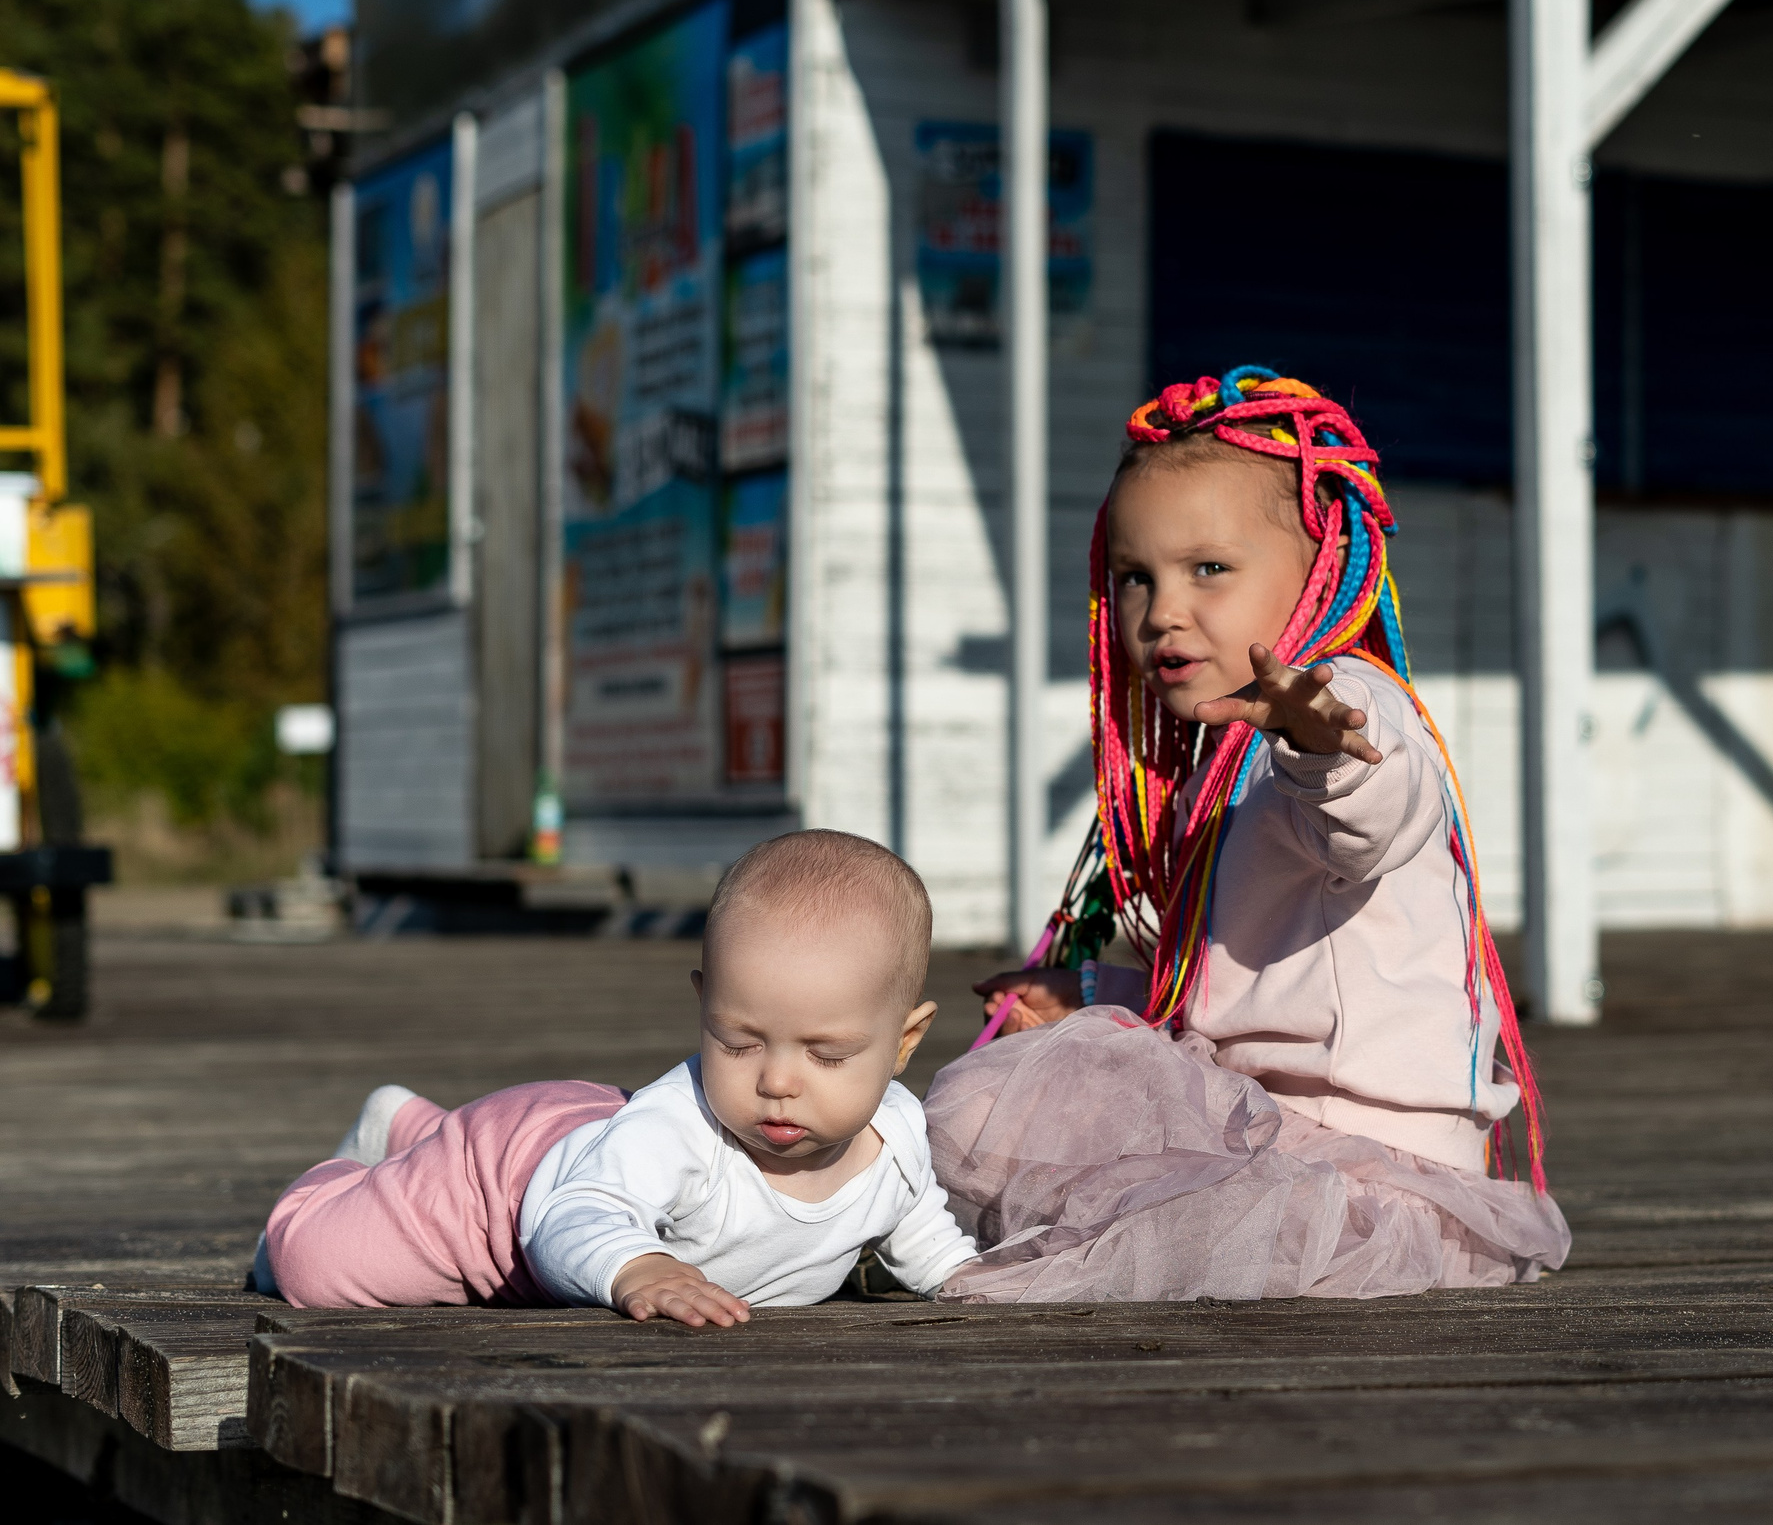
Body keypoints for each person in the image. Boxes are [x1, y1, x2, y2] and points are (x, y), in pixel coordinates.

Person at [926, 368, 1572, 1302]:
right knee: (1001, 1092)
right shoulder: (1216, 763)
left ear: (1319, 571)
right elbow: (1235, 984)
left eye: (1209, 570)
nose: (1163, 611)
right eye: (1135, 578)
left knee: (997, 1117)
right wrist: (1095, 989)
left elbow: (1375, 817)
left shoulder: (1347, 707)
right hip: (1265, 1129)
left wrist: (1319, 741)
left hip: (1367, 1177)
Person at [254, 830, 976, 1324]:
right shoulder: (679, 1134)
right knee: (311, 1270)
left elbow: (916, 1225)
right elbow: (570, 1218)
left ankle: (411, 1126)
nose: (778, 1081)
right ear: (704, 1008)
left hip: (592, 1129)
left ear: (904, 1042)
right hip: (499, 1190)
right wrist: (637, 1269)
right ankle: (349, 1172)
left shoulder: (897, 1131)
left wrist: (961, 1280)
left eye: (826, 1056)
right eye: (737, 1042)